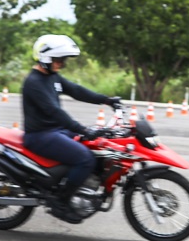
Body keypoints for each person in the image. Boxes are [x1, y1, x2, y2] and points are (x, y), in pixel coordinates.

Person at [22, 34, 121, 224]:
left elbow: (76, 91)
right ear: (45, 58)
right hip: (40, 135)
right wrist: (82, 129)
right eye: (59, 59)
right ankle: (61, 201)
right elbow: (55, 112)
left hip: (56, 131)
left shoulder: (52, 77)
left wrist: (107, 100)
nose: (62, 63)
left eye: (63, 59)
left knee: (95, 144)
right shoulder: (34, 83)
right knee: (85, 158)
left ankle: (77, 186)